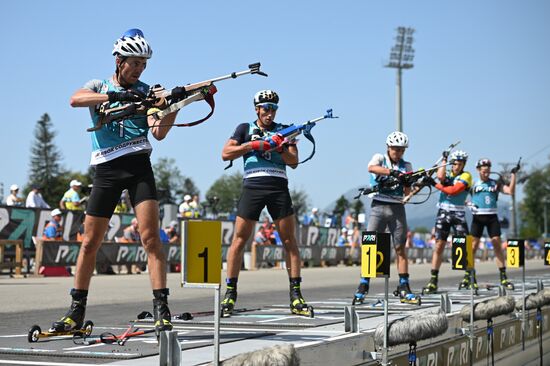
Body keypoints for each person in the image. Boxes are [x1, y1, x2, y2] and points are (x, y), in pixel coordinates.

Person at [50, 28, 181, 336]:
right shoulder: (99, 85)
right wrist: (116, 95)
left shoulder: (148, 90)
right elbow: (75, 100)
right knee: (89, 242)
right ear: (119, 60)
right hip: (107, 169)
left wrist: (171, 107)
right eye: (134, 63)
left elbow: (159, 132)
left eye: (143, 64)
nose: (139, 69)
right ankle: (75, 311)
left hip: (139, 167)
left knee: (151, 239)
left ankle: (162, 310)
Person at [220, 89, 312, 317]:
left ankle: (296, 296)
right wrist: (254, 146)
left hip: (278, 186)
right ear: (257, 109)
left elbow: (294, 162)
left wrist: (279, 146)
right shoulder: (245, 128)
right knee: (239, 239)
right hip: (253, 185)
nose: (270, 113)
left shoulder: (284, 130)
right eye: (265, 109)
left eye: (273, 109)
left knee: (289, 240)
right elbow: (225, 153)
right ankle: (230, 294)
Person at [352, 131, 420, 305]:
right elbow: (371, 168)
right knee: (370, 244)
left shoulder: (407, 165)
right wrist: (393, 173)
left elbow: (407, 194)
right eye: (395, 149)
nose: (398, 153)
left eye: (402, 150)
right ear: (388, 148)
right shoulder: (380, 158)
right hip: (379, 205)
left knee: (400, 248)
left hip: (397, 207)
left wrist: (409, 184)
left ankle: (404, 286)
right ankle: (363, 285)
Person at [422, 150, 473, 294]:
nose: (457, 166)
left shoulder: (466, 176)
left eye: (460, 164)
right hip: (443, 211)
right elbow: (440, 176)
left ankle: (468, 276)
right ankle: (433, 280)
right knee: (439, 245)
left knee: (464, 245)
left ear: (464, 164)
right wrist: (444, 160)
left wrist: (433, 184)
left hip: (458, 212)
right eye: (455, 163)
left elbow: (453, 190)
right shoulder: (448, 173)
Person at [469, 158, 517, 289]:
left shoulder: (495, 183)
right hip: (478, 217)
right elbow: (460, 197)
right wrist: (468, 204)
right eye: (484, 171)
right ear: (478, 170)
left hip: (492, 216)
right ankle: (471, 276)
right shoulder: (473, 183)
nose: (486, 173)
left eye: (488, 171)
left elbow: (510, 191)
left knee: (496, 243)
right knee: (473, 247)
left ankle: (503, 276)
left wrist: (513, 176)